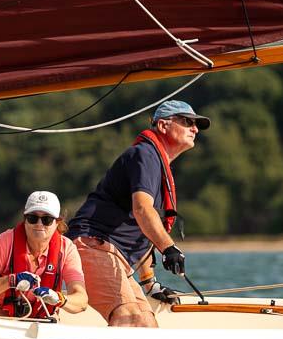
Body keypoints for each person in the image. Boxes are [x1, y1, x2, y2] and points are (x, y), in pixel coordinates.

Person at [66, 100, 210, 327]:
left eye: (196, 124)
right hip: (92, 243)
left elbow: (146, 228)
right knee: (130, 316)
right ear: (163, 126)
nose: (195, 128)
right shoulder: (145, 155)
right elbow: (142, 210)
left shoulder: (157, 164)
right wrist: (169, 248)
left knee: (147, 321)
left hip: (115, 256)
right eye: (187, 122)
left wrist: (148, 283)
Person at [0, 191, 88, 318]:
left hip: (41, 313)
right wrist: (11, 280)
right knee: (6, 323)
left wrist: (58, 298)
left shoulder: (67, 249)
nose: (39, 224)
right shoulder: (5, 242)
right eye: (33, 218)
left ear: (57, 222)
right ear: (25, 220)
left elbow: (82, 300)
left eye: (47, 219)